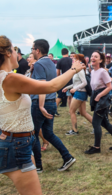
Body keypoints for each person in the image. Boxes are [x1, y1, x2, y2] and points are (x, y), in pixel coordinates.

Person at [0, 31, 84, 195]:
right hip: (16, 145)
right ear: (7, 53)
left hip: (12, 144)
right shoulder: (9, 79)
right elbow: (51, 87)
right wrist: (74, 69)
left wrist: (10, 136)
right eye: (14, 50)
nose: (19, 54)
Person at [30, 39, 77, 173]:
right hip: (51, 101)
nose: (32, 51)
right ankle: (67, 157)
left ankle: (37, 166)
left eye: (32, 49)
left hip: (41, 103)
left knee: (33, 135)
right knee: (48, 134)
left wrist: (40, 106)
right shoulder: (51, 63)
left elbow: (42, 86)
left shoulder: (39, 64)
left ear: (37, 50)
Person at [84, 50, 112, 154]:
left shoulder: (103, 71)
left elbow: (109, 87)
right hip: (97, 98)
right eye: (92, 56)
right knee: (105, 123)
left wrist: (99, 95)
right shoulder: (93, 71)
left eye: (96, 57)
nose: (93, 58)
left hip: (103, 100)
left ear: (100, 60)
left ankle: (96, 147)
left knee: (96, 122)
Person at [63, 54, 93, 135]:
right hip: (80, 92)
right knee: (83, 113)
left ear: (79, 60)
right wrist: (68, 87)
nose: (72, 59)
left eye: (74, 58)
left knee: (71, 111)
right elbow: (77, 83)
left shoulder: (80, 70)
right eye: (73, 58)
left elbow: (84, 82)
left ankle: (74, 130)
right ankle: (96, 126)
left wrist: (75, 89)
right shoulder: (77, 69)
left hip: (80, 93)